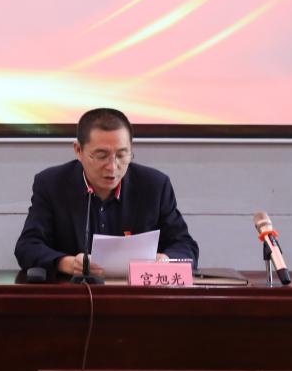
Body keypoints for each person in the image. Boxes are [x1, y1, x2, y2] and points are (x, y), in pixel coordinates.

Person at [15, 107, 198, 278]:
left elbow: (185, 247)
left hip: (137, 295)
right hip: (75, 294)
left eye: (122, 155)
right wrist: (67, 264)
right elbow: (27, 247)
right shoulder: (52, 184)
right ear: (78, 150)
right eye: (101, 156)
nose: (112, 167)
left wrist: (165, 260)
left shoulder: (154, 186)